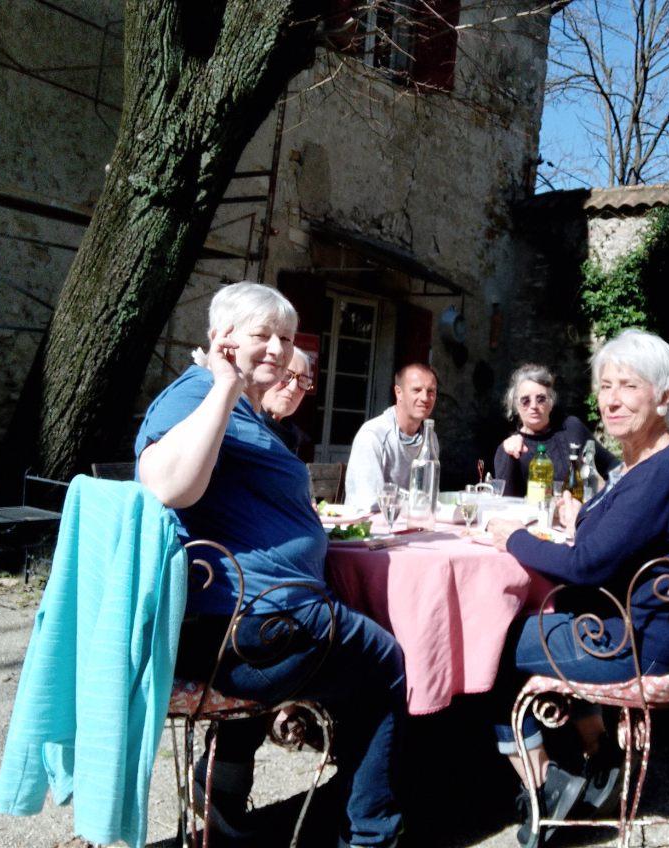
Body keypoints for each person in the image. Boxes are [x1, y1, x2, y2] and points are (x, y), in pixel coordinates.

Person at [134, 282, 404, 848]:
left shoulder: (243, 410)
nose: (278, 350)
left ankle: (230, 812)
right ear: (219, 338)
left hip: (262, 618)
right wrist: (226, 384)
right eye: (263, 335)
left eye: (285, 337)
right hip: (250, 628)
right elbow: (167, 486)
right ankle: (372, 834)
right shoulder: (197, 394)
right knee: (387, 661)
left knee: (355, 646)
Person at [487, 329, 669, 846]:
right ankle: (598, 754)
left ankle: (543, 788)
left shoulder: (661, 472)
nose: (611, 399)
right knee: (520, 630)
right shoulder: (646, 463)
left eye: (628, 386)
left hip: (639, 643)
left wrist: (514, 538)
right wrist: (579, 515)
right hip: (634, 626)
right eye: (606, 386)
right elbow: (600, 531)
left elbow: (585, 565)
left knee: (489, 646)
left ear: (664, 396)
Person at [493, 363, 618, 498]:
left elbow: (612, 466)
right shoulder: (511, 448)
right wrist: (509, 456)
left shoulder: (572, 428)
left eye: (541, 399)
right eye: (525, 400)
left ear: (551, 403)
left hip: (580, 515)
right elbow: (506, 503)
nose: (534, 406)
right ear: (516, 406)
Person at [344, 363, 439, 511]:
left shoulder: (430, 438)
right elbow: (368, 503)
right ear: (398, 392)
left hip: (413, 526)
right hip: (370, 528)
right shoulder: (372, 436)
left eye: (431, 391)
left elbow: (428, 497)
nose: (425, 397)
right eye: (417, 390)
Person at [260, 348, 316, 454]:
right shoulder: (239, 424)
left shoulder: (295, 440)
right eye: (286, 375)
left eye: (303, 381)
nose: (293, 388)